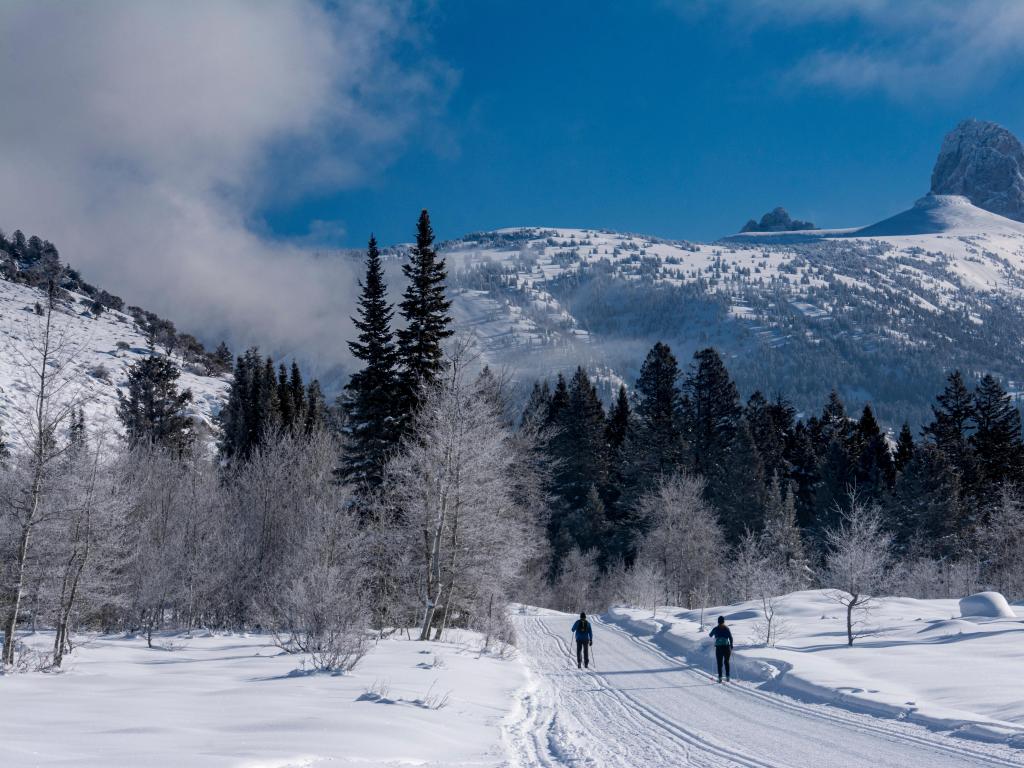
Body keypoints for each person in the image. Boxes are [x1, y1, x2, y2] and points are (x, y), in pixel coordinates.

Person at [709, 615, 733, 682]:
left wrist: (715, 634)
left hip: (719, 648)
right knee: (727, 662)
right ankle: (727, 677)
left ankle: (720, 678)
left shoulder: (716, 628)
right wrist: (731, 646)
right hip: (727, 647)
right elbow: (731, 638)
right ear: (723, 621)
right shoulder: (727, 628)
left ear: (718, 621)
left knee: (719, 663)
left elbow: (710, 635)